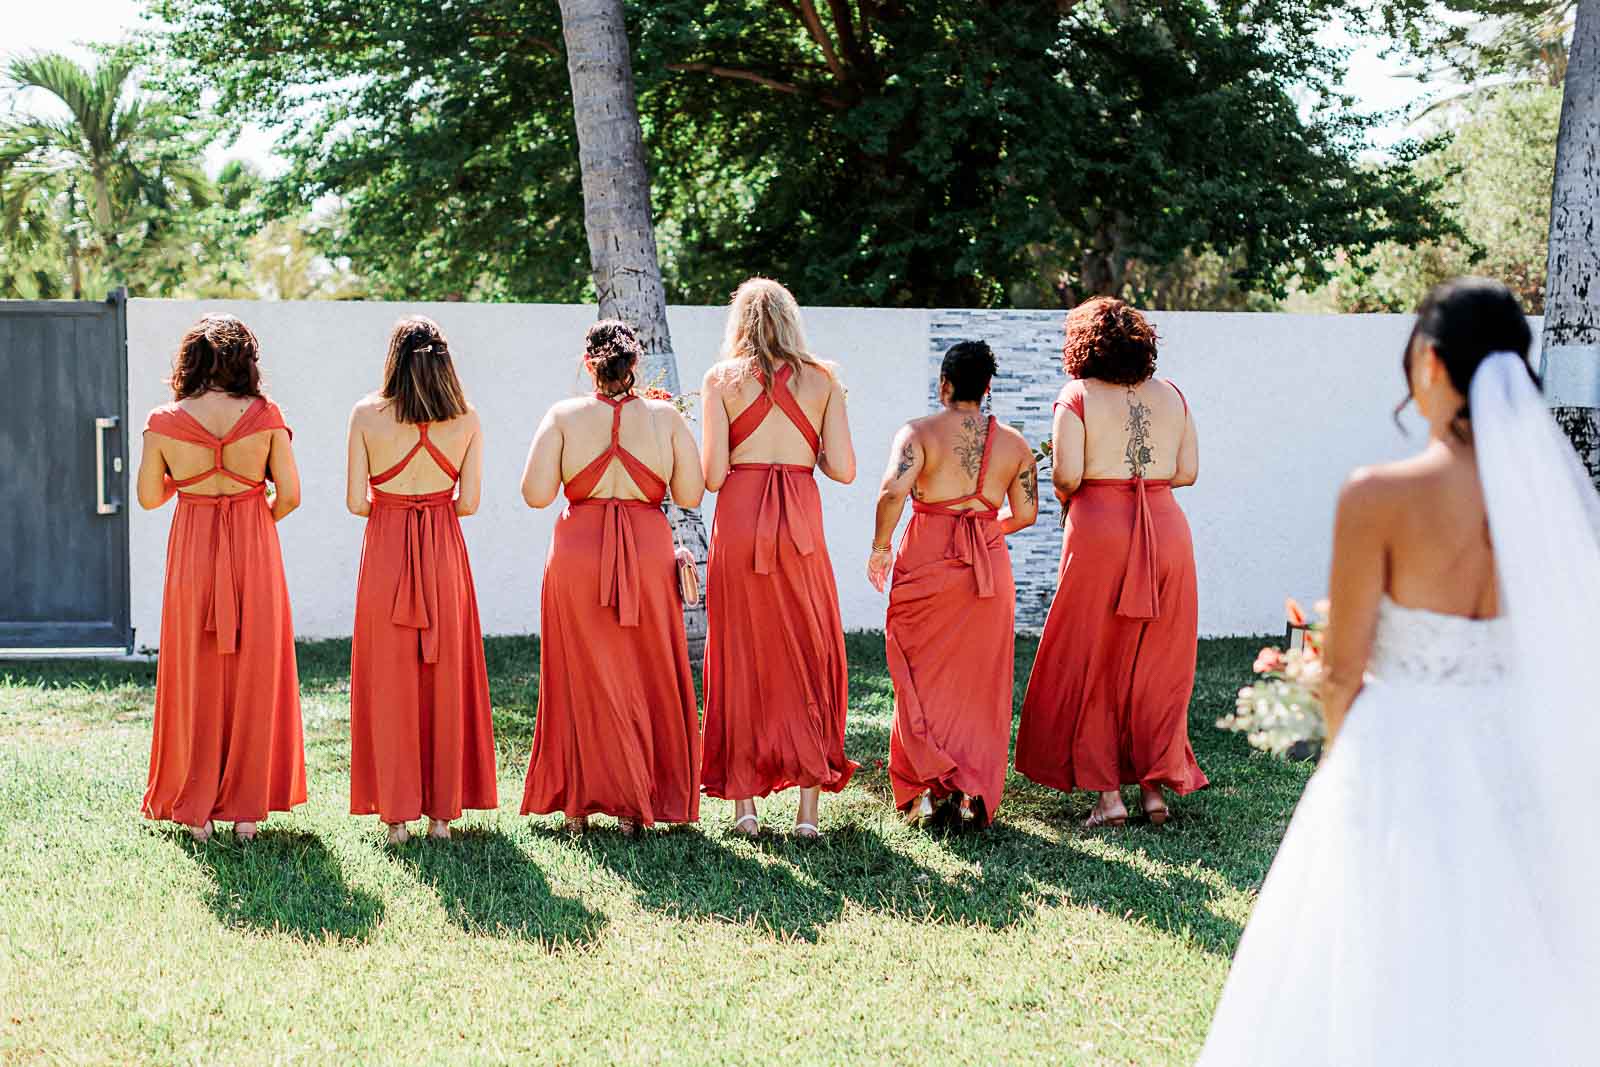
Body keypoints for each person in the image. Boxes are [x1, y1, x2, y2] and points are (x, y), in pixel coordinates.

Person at [1199, 277, 1599, 1064]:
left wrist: (1351, 773)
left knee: (1377, 964)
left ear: (1433, 365)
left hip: (1404, 752)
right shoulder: (1549, 502)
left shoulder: (1379, 496)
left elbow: (1343, 671)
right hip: (1518, 750)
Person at [1015, 297, 1206, 827]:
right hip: (1166, 528)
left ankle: (1108, 798)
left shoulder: (1076, 395)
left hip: (1099, 528)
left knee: (1094, 656)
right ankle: (1152, 791)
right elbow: (1187, 471)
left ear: (1082, 345)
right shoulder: (1173, 396)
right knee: (1156, 661)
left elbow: (1068, 476)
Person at [519, 320, 704, 835]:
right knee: (647, 670)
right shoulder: (665, 417)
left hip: (579, 552)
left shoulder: (563, 415)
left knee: (580, 672)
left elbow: (535, 494)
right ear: (635, 365)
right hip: (646, 550)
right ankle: (635, 800)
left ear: (588, 364)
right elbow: (690, 495)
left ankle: (579, 804)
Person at [136, 314, 306, 842]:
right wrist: (251, 517)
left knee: (195, 673)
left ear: (190, 360)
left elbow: (147, 497)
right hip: (254, 550)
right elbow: (292, 495)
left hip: (192, 552)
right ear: (244, 360)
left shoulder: (164, 420)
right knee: (255, 672)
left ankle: (198, 811)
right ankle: (247, 815)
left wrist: (185, 481)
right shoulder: (266, 416)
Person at [700, 278, 857, 839]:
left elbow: (712, 476)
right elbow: (842, 469)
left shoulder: (720, 381)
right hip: (799, 522)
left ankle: (745, 810)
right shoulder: (823, 380)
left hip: (740, 516)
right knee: (808, 654)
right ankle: (808, 816)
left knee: (741, 656)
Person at [868, 340, 1037, 827]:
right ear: (987, 388)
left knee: (915, 674)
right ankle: (968, 794)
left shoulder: (917, 433)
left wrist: (880, 548)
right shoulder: (1016, 443)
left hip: (925, 557)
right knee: (978, 685)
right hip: (986, 566)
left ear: (944, 384)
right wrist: (981, 529)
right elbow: (1026, 514)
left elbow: (891, 492)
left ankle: (922, 792)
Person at [346, 316, 497, 845]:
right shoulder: (468, 418)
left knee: (389, 678)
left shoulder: (367, 414)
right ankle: (440, 818)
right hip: (442, 549)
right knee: (445, 674)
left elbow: (355, 502)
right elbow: (470, 503)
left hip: (386, 548)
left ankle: (395, 818)